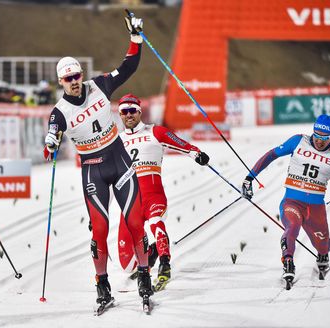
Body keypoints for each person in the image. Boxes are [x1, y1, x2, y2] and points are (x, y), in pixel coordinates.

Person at [44, 14, 150, 308]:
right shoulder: (59, 111)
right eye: (68, 79)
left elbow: (128, 66)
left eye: (77, 76)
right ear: (61, 82)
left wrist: (136, 38)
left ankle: (144, 274)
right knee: (99, 230)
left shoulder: (99, 85)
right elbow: (52, 134)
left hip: (119, 160)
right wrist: (50, 145)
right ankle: (102, 284)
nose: (75, 82)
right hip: (92, 171)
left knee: (135, 222)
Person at [241, 114, 330, 285]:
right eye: (317, 135)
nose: (319, 141)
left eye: (324, 138)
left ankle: (322, 254)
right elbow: (271, 155)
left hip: (316, 209)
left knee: (324, 245)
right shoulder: (298, 141)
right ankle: (288, 262)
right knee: (292, 227)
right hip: (292, 202)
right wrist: (249, 178)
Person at [117, 93, 210, 291]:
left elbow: (181, 143)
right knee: (126, 265)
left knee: (155, 223)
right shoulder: (117, 141)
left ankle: (165, 264)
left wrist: (197, 154)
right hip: (129, 202)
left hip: (153, 194)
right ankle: (151, 252)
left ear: (140, 112)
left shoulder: (155, 131)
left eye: (132, 110)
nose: (129, 115)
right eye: (124, 111)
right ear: (120, 115)